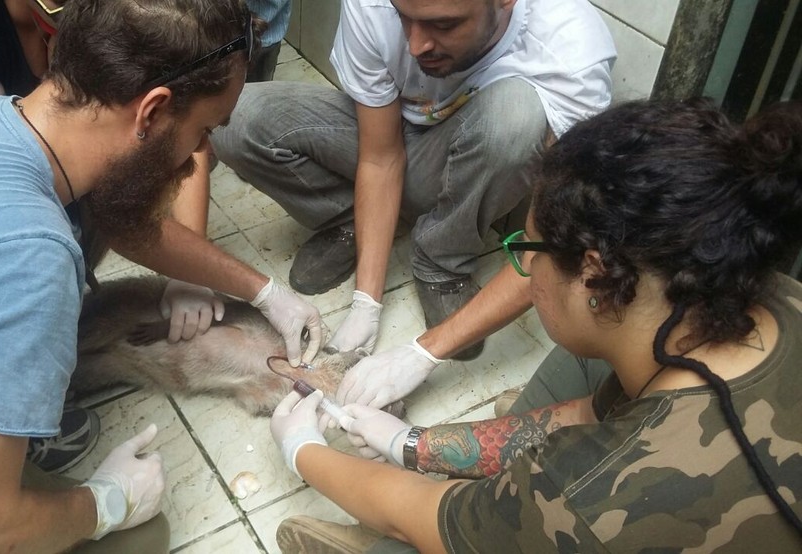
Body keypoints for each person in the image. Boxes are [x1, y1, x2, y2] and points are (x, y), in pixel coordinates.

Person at [0, 0, 321, 551]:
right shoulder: (25, 260)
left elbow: (118, 216)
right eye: (203, 130)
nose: (199, 153)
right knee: (141, 537)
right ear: (151, 113)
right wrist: (106, 502)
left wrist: (265, 291)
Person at [269, 97, 802, 552]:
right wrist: (410, 443)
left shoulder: (590, 495)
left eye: (525, 252)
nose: (520, 270)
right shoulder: (761, 294)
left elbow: (431, 516)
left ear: (593, 275)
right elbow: (586, 415)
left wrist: (303, 450)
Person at [205, 0, 616, 364]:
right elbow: (381, 156)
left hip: (472, 159)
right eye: (406, 18)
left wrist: (423, 353)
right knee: (235, 121)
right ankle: (349, 219)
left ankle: (442, 259)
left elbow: (546, 247)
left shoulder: (573, 50)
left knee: (517, 115)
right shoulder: (374, 5)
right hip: (392, 137)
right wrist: (367, 303)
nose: (417, 45)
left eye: (444, 24)